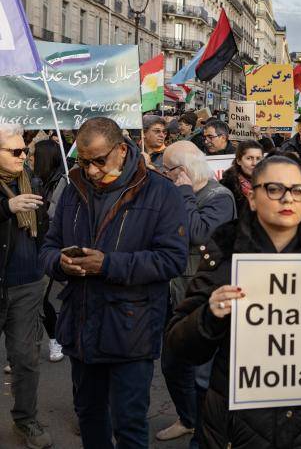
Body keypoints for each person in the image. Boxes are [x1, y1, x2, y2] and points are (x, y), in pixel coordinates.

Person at [165, 154, 301, 448]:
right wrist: (209, 315)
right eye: (274, 189)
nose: (287, 198)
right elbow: (180, 343)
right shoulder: (225, 250)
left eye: (297, 190)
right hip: (237, 424)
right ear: (252, 198)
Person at [39, 117, 189, 449]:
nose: (91, 170)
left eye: (98, 160)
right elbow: (48, 247)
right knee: (89, 415)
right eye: (83, 161)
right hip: (80, 325)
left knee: (129, 422)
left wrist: (107, 264)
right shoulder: (73, 187)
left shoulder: (160, 191)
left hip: (130, 331)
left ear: (121, 150)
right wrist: (60, 263)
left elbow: (172, 259)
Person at [156, 141, 237, 442]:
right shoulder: (174, 192)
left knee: (200, 371)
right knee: (172, 365)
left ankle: (203, 429)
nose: (164, 174)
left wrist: (185, 194)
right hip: (173, 290)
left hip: (202, 295)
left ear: (182, 171)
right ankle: (188, 418)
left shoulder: (219, 197)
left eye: (167, 169)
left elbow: (199, 233)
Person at [0, 124, 51, 448]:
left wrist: (45, 263)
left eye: (25, 150)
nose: (23, 156)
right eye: (15, 151)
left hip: (27, 284)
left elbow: (44, 228)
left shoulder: (31, 179)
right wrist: (6, 207)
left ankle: (26, 420)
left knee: (26, 359)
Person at [29, 139, 68, 363]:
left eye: (33, 155)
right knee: (32, 300)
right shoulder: (30, 180)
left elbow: (55, 217)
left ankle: (54, 339)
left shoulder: (62, 182)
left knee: (39, 298)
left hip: (48, 247)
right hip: (30, 244)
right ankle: (23, 353)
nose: (28, 158)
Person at [219, 140, 264, 214]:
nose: (254, 163)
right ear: (239, 161)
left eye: (258, 159)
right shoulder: (226, 187)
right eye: (249, 158)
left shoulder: (269, 183)